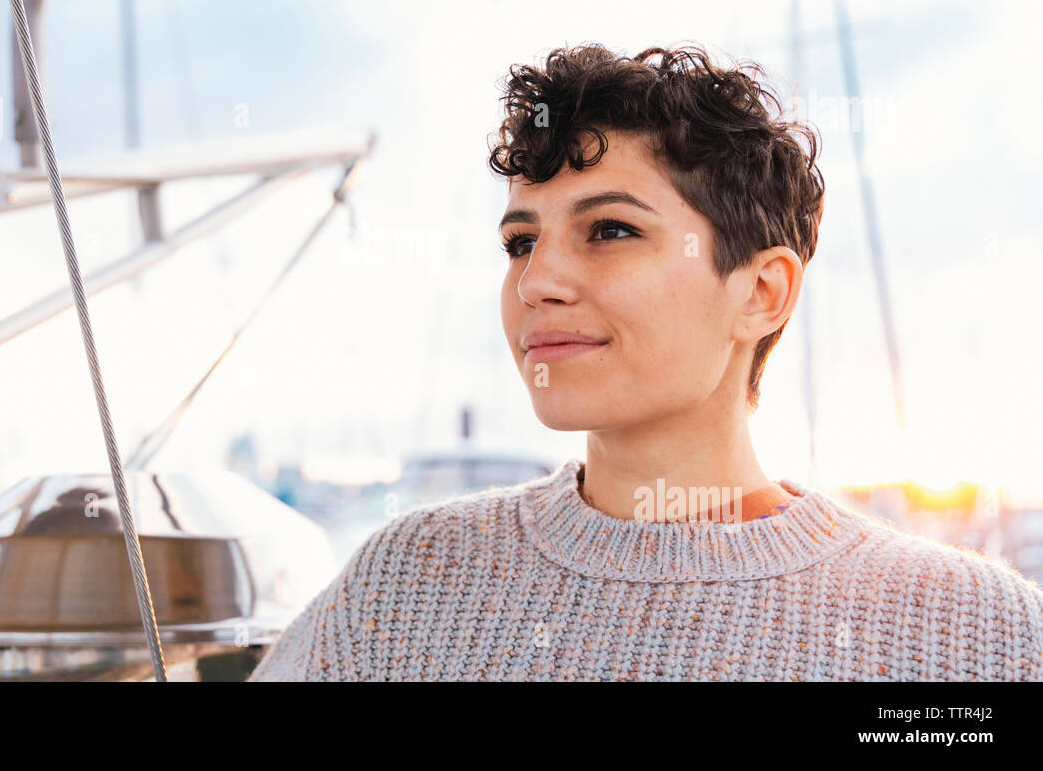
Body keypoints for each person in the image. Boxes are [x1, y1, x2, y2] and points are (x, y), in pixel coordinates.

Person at [248, 43, 1043, 681]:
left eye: (611, 231)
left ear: (761, 292)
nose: (537, 280)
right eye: (521, 242)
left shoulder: (974, 633)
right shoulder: (408, 581)